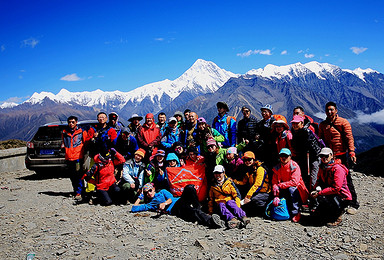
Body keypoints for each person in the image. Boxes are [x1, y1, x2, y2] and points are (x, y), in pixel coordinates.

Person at [318, 101, 359, 214]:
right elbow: (321, 140)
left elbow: (349, 138)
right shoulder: (323, 125)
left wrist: (351, 153)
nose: (330, 112)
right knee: (328, 178)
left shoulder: (343, 122)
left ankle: (353, 202)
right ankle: (335, 201)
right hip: (328, 155)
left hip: (341, 154)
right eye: (327, 110)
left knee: (346, 179)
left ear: (336, 110)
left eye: (332, 109)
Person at [131, 183, 224, 229]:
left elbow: (170, 198)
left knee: (190, 188)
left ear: (153, 189)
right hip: (176, 209)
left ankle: (199, 208)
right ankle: (211, 221)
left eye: (150, 190)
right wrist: (141, 196)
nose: (149, 193)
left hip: (179, 200)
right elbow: (134, 208)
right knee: (193, 212)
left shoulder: (163, 191)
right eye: (146, 193)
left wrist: (164, 204)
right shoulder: (151, 204)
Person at [310, 148, 352, 227]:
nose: (324, 158)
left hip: (342, 196)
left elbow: (336, 188)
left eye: (326, 155)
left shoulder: (337, 169)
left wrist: (319, 193)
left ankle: (337, 218)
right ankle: (328, 215)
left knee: (330, 200)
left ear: (331, 156)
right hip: (330, 192)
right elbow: (319, 180)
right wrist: (315, 189)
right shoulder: (322, 167)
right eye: (322, 156)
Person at [271, 148, 309, 223]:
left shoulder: (294, 166)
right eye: (282, 156)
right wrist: (275, 191)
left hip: (297, 190)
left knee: (292, 189)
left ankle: (296, 212)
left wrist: (279, 185)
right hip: (283, 188)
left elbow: (294, 182)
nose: (283, 158)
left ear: (290, 156)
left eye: (286, 156)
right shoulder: (277, 167)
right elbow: (274, 182)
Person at [233, 151, 271, 216]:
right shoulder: (249, 170)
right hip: (255, 192)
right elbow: (243, 182)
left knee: (254, 200)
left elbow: (258, 185)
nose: (247, 162)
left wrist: (248, 197)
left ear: (253, 159)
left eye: (249, 159)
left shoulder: (260, 169)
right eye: (245, 160)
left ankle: (264, 210)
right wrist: (234, 181)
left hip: (264, 193)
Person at [290, 115, 321, 191]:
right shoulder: (295, 132)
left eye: (297, 123)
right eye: (293, 123)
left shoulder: (306, 132)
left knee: (313, 180)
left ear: (302, 123)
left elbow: (313, 148)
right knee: (304, 178)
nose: (295, 125)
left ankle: (315, 197)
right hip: (304, 158)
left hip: (313, 158)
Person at [62, 116, 88, 201]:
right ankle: (75, 190)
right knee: (72, 176)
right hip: (69, 158)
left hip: (78, 158)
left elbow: (86, 143)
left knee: (79, 176)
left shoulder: (81, 132)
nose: (71, 124)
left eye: (73, 122)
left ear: (76, 122)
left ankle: (80, 192)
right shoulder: (65, 132)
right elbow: (64, 144)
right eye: (69, 122)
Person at [255, 104, 276, 168]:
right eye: (262, 112)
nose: (263, 113)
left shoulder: (274, 123)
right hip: (263, 148)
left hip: (272, 148)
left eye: (265, 112)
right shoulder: (260, 123)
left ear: (270, 113)